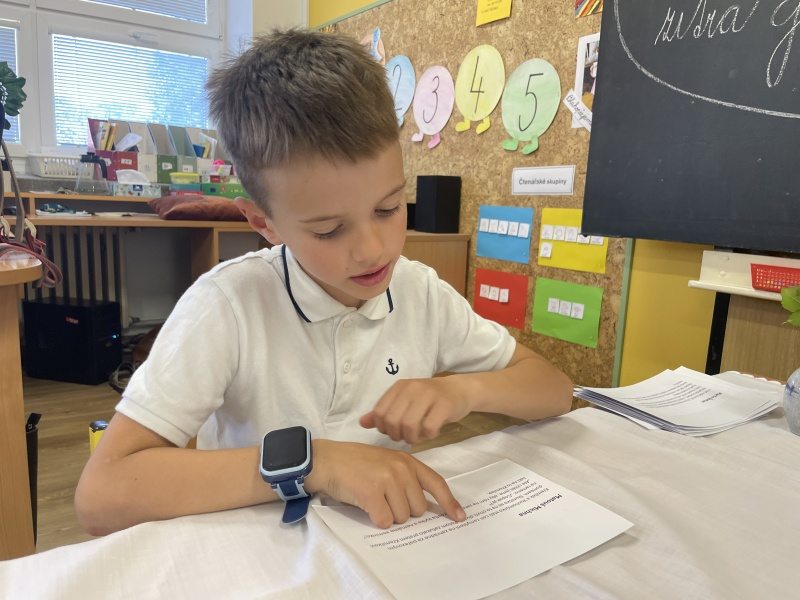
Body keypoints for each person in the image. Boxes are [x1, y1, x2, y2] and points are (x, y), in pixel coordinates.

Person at [75, 29, 573, 535]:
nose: (373, 249)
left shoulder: (420, 294)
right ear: (264, 223)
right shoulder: (227, 305)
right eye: (330, 230)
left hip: (379, 542)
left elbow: (554, 390)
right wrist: (316, 463)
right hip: (256, 547)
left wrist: (466, 391)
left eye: (389, 208)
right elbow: (101, 495)